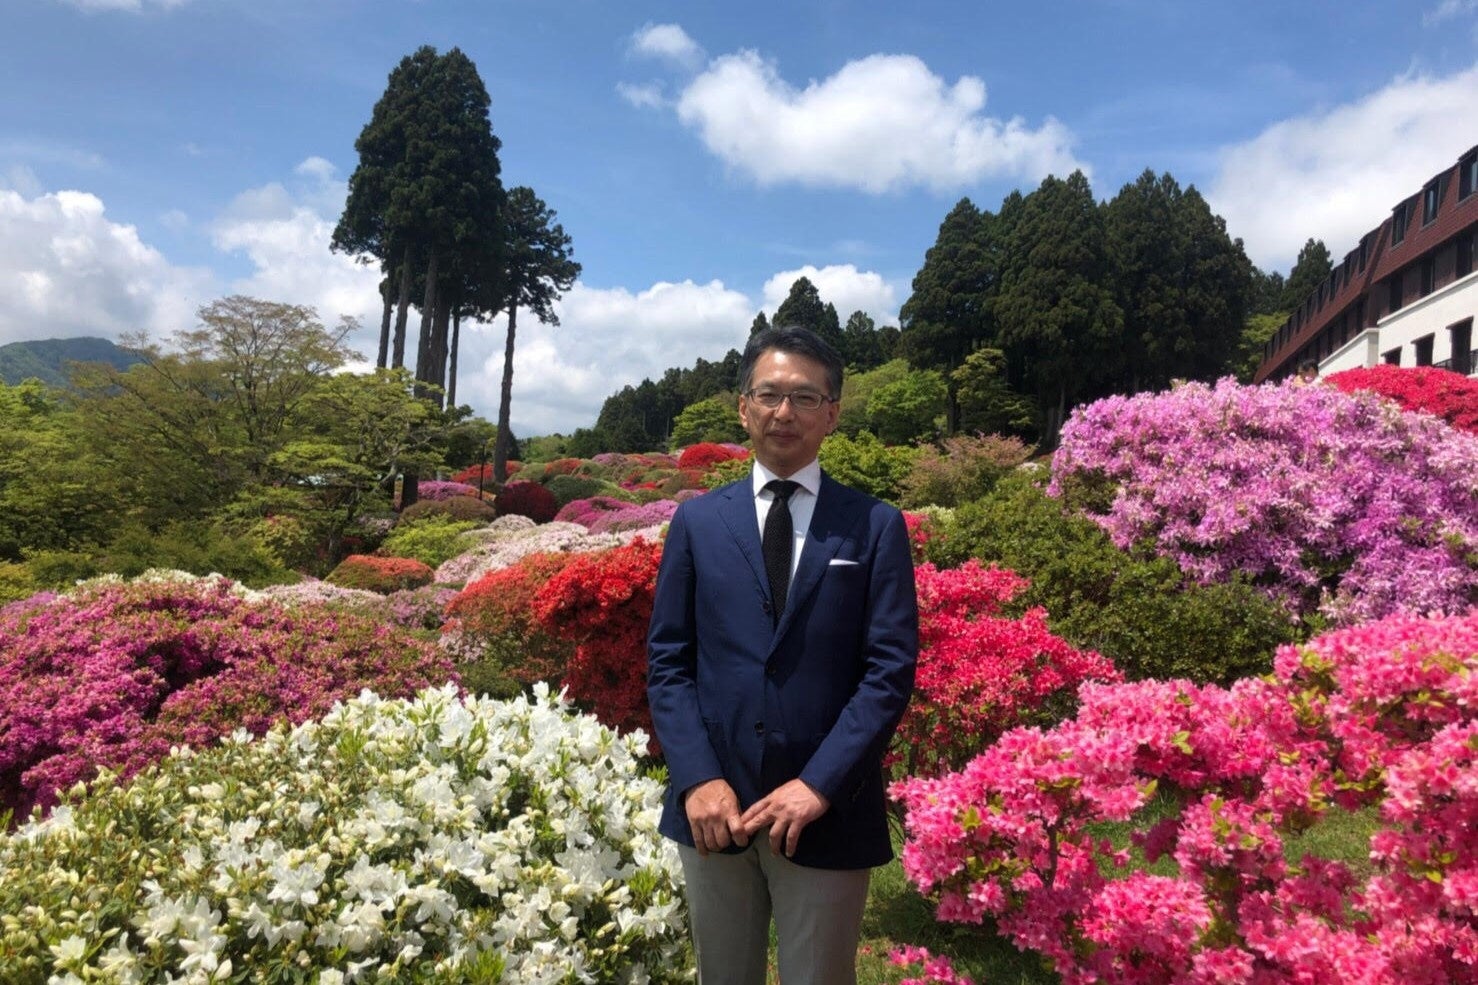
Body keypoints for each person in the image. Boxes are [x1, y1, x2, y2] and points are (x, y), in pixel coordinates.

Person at [647, 325, 919, 985]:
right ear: (744, 408)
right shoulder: (698, 523)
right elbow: (669, 662)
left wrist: (817, 784)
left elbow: (888, 671)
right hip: (715, 810)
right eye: (768, 394)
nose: (784, 411)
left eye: (805, 397)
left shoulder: (874, 525)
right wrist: (697, 778)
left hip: (826, 811)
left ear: (833, 413)